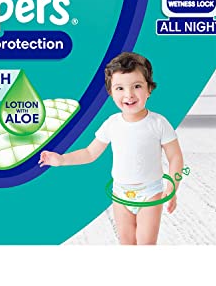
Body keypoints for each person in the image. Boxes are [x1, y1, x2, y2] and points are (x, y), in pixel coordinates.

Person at [39, 52, 184, 245]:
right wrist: (61, 159)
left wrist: (173, 187)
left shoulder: (158, 123)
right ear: (111, 92)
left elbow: (175, 157)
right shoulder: (111, 124)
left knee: (146, 244)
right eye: (120, 88)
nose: (129, 94)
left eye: (137, 86)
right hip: (120, 192)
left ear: (149, 89)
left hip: (150, 192)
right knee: (126, 243)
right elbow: (90, 153)